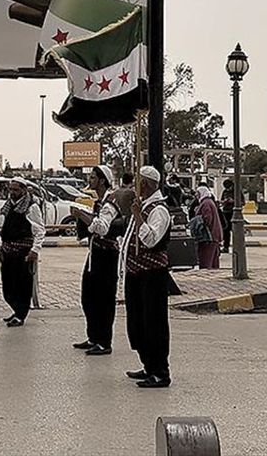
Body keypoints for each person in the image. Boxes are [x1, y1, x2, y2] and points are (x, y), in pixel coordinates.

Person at [124, 165, 172, 388]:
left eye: (138, 182)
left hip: (152, 274)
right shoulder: (142, 205)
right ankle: (148, 365)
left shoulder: (158, 210)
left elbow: (151, 239)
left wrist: (137, 217)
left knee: (154, 322)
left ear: (144, 184)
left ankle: (160, 371)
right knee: (138, 322)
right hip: (136, 272)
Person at [72, 165, 124, 355]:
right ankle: (93, 336)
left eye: (93, 177)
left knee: (104, 299)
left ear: (102, 181)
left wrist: (82, 215)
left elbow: (102, 228)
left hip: (106, 256)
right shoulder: (100, 203)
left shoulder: (109, 204)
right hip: (96, 254)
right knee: (89, 297)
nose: (90, 180)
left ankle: (104, 341)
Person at [0, 178, 44, 327]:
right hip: (8, 251)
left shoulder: (31, 207)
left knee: (22, 285)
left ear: (23, 190)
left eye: (16, 190)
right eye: (10, 189)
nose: (12, 192)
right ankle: (16, 310)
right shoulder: (9, 205)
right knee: (8, 285)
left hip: (23, 252)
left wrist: (35, 250)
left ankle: (20, 314)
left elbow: (39, 230)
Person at [191, 184, 222, 269]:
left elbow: (207, 219)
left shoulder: (206, 203)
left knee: (206, 260)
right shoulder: (208, 202)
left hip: (209, 236)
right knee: (213, 261)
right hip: (213, 235)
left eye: (198, 193)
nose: (196, 195)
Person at [218, 179, 236, 254]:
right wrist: (224, 201)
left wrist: (233, 201)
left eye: (229, 187)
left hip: (234, 213)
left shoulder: (236, 192)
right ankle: (226, 247)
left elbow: (242, 202)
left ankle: (236, 246)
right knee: (226, 231)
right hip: (226, 212)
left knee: (235, 231)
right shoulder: (225, 192)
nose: (228, 189)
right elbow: (221, 201)